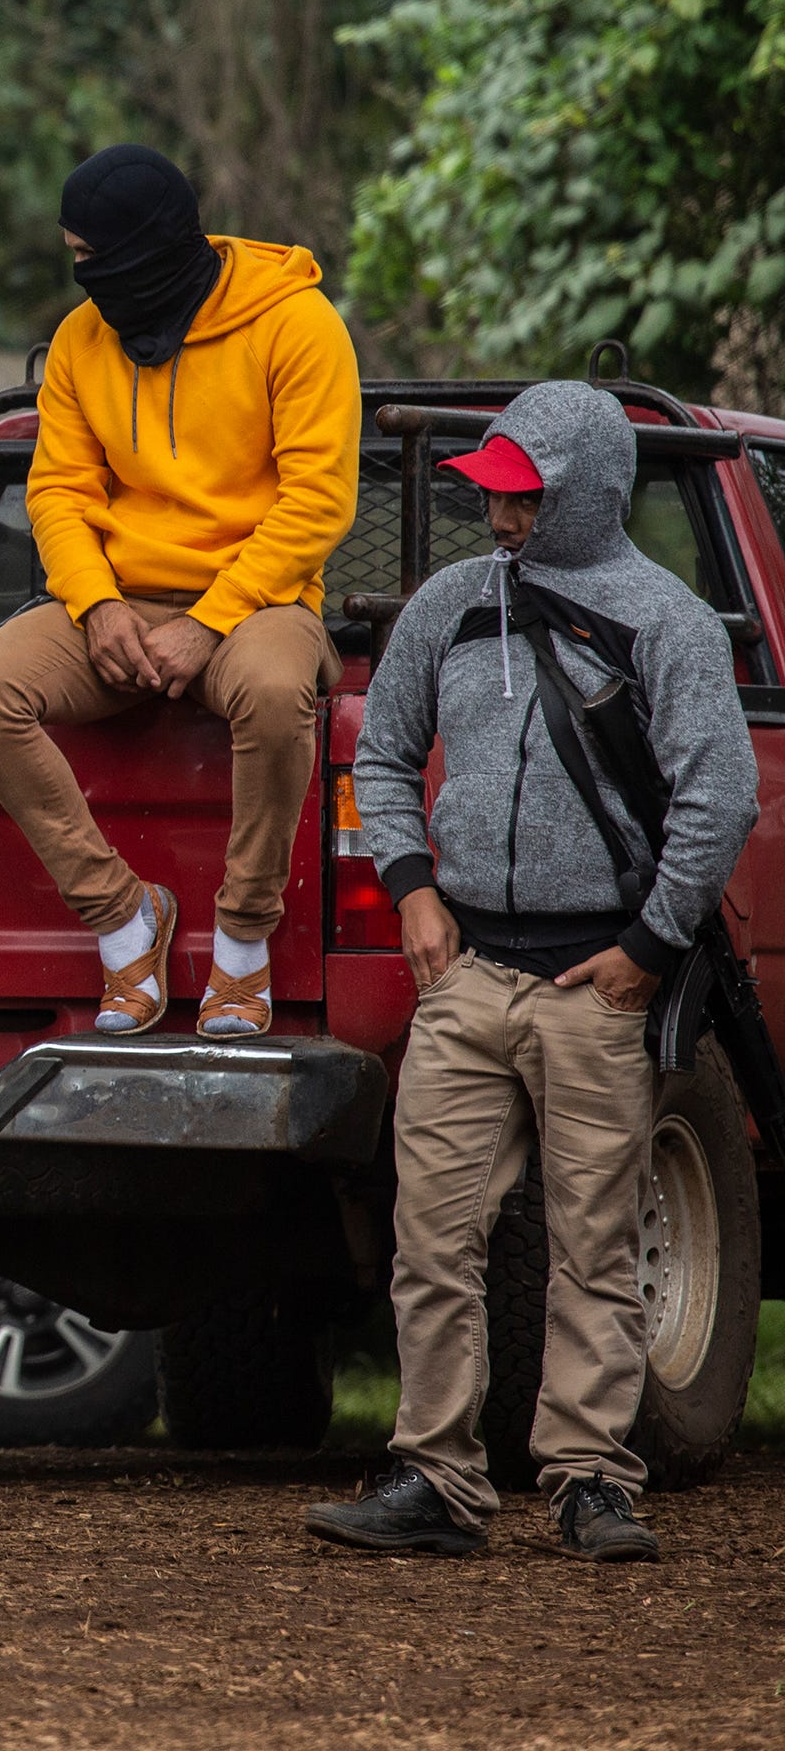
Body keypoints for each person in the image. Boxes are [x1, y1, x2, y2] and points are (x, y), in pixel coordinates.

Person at [305, 381, 756, 1562]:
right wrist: (412, 890)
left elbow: (721, 796)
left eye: (523, 499)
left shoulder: (666, 622)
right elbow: (385, 750)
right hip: (470, 976)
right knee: (430, 1235)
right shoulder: (449, 607)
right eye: (493, 497)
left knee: (592, 1240)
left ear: (585, 494)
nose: (500, 520)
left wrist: (647, 950)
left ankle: (592, 1478)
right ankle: (437, 1477)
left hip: (596, 978)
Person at [0, 143, 360, 1040]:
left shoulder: (296, 325)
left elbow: (318, 502)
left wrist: (211, 623)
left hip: (260, 602)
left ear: (147, 250)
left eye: (91, 256)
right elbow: (57, 491)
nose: (81, 276)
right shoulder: (79, 341)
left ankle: (244, 943)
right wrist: (96, 606)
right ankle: (123, 916)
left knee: (275, 689)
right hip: (119, 600)